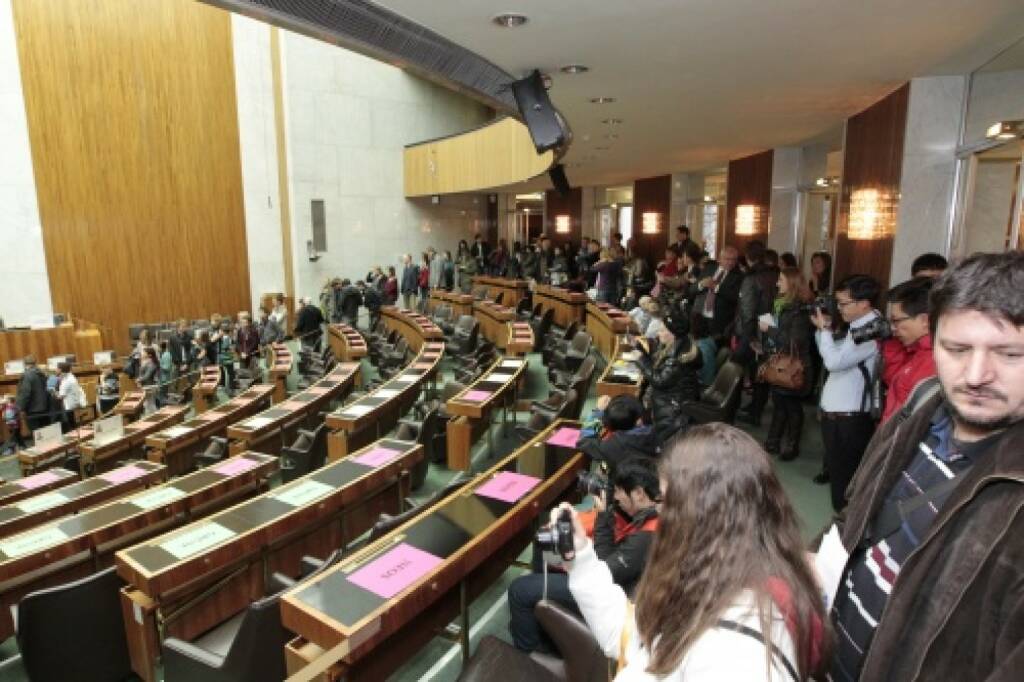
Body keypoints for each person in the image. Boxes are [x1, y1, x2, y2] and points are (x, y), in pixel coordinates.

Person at [823, 251, 1024, 681]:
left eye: (1008, 354)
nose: (975, 375)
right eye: (956, 348)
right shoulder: (920, 407)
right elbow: (856, 519)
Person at [560, 424, 828, 680]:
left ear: (700, 514)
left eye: (666, 500)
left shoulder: (736, 658)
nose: (659, 510)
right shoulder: (720, 578)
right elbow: (635, 640)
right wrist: (581, 557)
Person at [508, 457, 660, 654]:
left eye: (620, 490)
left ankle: (530, 657)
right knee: (543, 548)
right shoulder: (651, 515)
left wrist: (604, 514)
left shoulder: (646, 538)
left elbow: (604, 571)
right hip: (622, 581)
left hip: (617, 596)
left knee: (519, 589)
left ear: (639, 493)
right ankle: (544, 620)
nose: (616, 496)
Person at [811, 274, 881, 512]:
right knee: (839, 481)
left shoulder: (871, 331)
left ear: (864, 303)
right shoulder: (857, 327)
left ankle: (845, 539)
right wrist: (825, 331)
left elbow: (834, 362)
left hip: (851, 420)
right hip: (838, 417)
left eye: (844, 303)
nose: (839, 308)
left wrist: (825, 331)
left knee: (846, 486)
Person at [759, 267, 814, 460]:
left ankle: (792, 445)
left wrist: (769, 330)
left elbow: (794, 342)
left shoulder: (799, 310)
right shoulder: (780, 304)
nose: (777, 283)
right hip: (778, 362)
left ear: (791, 283)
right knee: (779, 403)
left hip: (794, 366)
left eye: (780, 280)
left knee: (791, 406)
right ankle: (772, 441)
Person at [633, 311, 702, 446]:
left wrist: (640, 359)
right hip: (672, 401)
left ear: (673, 334)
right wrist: (640, 351)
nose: (659, 333)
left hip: (672, 409)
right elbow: (657, 367)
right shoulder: (680, 345)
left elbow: (659, 381)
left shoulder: (677, 358)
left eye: (663, 330)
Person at [877, 277, 937, 425]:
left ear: (925, 321)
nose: (892, 328)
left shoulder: (934, 360)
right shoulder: (916, 351)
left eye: (896, 321)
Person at [735, 240, 780, 426]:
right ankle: (755, 408)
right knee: (762, 372)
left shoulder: (751, 278)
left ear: (747, 257)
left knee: (738, 368)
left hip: (753, 330)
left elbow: (748, 311)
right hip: (771, 325)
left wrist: (749, 337)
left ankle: (745, 411)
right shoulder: (775, 274)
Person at [577, 395, 657, 469]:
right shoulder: (659, 428)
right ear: (639, 420)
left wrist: (597, 412)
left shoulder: (613, 446)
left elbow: (583, 441)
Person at [693, 245, 743, 343]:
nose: (730, 262)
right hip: (699, 316)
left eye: (733, 260)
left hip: (719, 320)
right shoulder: (709, 268)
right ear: (719, 259)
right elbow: (691, 290)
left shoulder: (739, 276)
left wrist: (716, 287)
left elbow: (735, 297)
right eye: (727, 259)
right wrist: (701, 284)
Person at [15, 355, 50, 431]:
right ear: (35, 363)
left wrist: (21, 408)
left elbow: (25, 393)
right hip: (45, 407)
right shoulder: (42, 373)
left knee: (36, 434)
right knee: (46, 433)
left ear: (24, 364)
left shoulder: (27, 375)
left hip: (32, 409)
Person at [54, 362, 85, 429]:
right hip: (73, 404)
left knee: (71, 425)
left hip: (69, 406)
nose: (55, 369)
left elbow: (60, 396)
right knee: (72, 423)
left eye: (57, 368)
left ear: (60, 370)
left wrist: (53, 392)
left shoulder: (67, 381)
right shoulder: (70, 377)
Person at [138, 346, 160, 412]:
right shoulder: (146, 362)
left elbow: (147, 376)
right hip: (146, 385)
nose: (142, 353)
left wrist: (139, 380)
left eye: (144, 352)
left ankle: (157, 418)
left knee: (150, 404)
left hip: (150, 386)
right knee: (147, 404)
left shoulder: (152, 363)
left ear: (149, 355)